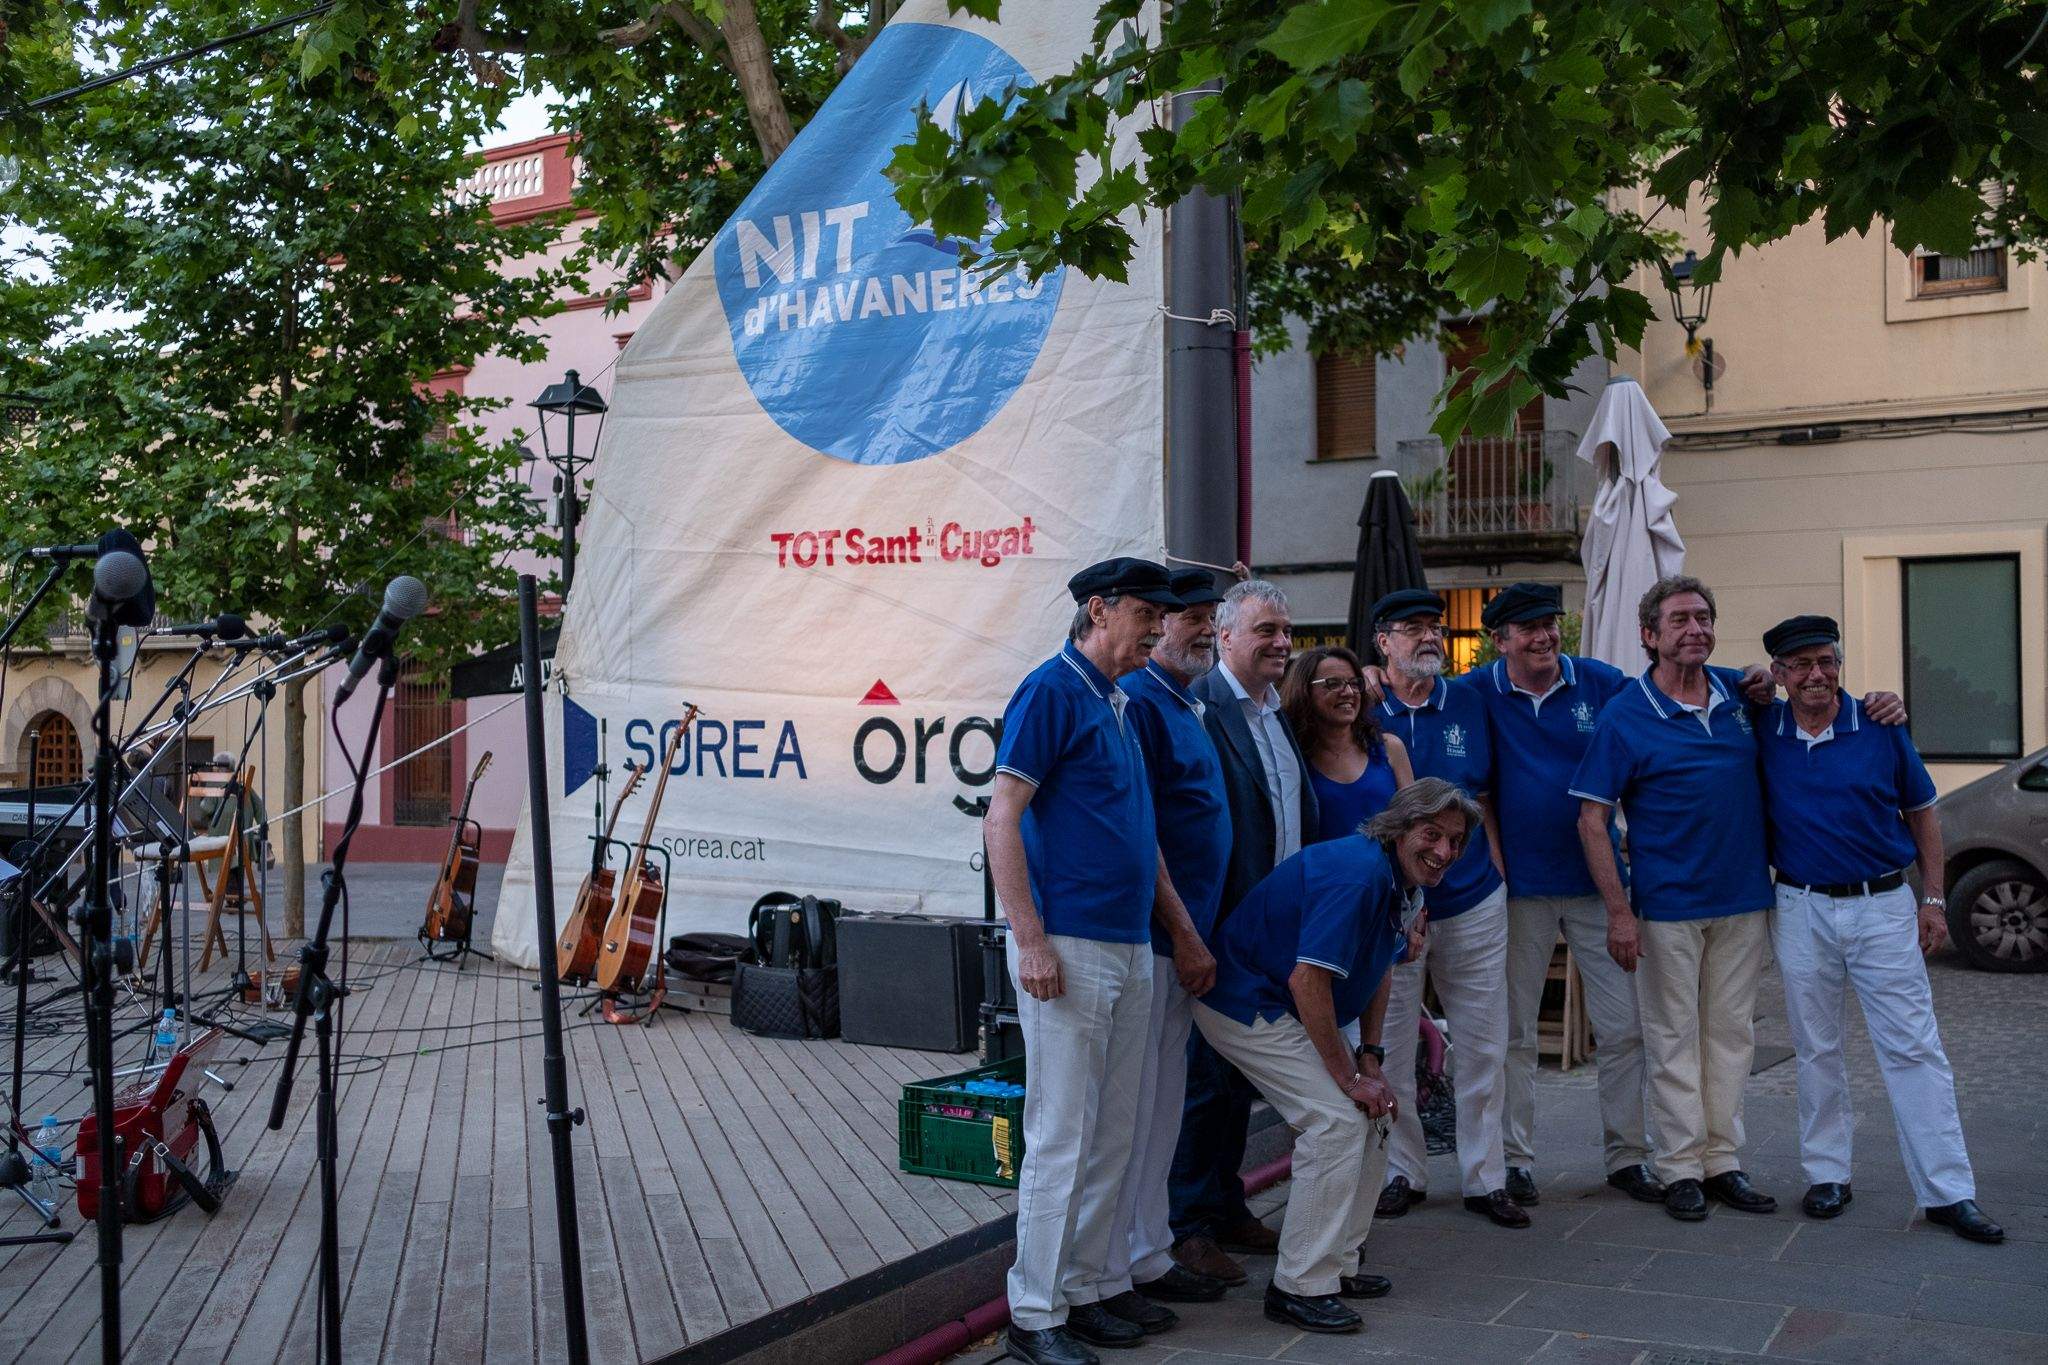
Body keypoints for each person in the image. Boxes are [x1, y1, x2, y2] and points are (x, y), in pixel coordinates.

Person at [987, 557, 1204, 1365]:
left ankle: (1086, 1287)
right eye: (1146, 611)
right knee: (1060, 1133)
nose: (1158, 625)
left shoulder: (1116, 700)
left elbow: (1141, 840)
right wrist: (1030, 937)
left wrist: (1178, 931)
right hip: (1071, 943)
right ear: (1097, 608)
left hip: (1124, 944)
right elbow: (1001, 816)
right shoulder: (1051, 689)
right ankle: (1034, 1312)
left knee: (1114, 1130)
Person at [1194, 778, 1481, 1335]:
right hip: (1247, 1001)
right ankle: (1298, 1285)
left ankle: (1337, 1263)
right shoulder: (1359, 874)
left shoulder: (1405, 881)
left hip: (1288, 1002)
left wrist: (1371, 1060)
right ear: (1399, 829)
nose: (1444, 851)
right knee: (1334, 1121)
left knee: (1375, 1114)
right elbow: (1308, 981)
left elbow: (1379, 970)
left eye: (1455, 840)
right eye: (1432, 834)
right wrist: (1348, 1077)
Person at [1756, 615, 2003, 1243]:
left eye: (1828, 661)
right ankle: (1827, 1174)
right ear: (1781, 676)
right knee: (1815, 1046)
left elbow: (1923, 813)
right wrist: (1748, 682)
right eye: (1802, 665)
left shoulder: (1880, 724)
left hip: (1882, 905)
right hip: (1801, 905)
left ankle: (1948, 1191)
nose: (1818, 675)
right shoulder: (1763, 728)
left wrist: (1934, 900)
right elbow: (1724, 683)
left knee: (1914, 1046)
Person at [1569, 575, 1779, 1223]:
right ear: (1649, 635)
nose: (1695, 628)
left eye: (1704, 617)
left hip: (1744, 898)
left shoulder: (1741, 696)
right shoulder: (1626, 714)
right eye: (1680, 619)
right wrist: (1618, 910)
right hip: (1665, 904)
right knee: (1671, 1034)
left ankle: (1724, 1159)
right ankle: (1680, 1163)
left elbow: (1811, 704)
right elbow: (1591, 818)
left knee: (1730, 1033)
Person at [1461, 584, 1663, 1208]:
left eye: (1550, 623)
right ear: (1500, 641)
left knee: (1624, 1026)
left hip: (1600, 886)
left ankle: (1628, 1157)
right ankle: (1515, 1161)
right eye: (1529, 629)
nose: (1545, 636)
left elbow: (1669, 698)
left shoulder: (1600, 683)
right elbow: (1419, 704)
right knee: (1514, 1033)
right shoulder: (1475, 694)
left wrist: (1749, 684)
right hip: (1518, 889)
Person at [1167, 580, 1319, 1287]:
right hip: (1221, 928)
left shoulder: (1276, 713)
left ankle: (1226, 1203)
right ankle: (1187, 1224)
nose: (1282, 642)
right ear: (1225, 636)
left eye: (1287, 630)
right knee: (1204, 1081)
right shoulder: (1202, 708)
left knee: (1235, 1082)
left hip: (1271, 931)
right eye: (1266, 629)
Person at [1368, 588, 1526, 1229]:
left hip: (1472, 901)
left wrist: (1499, 873)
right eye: (1411, 628)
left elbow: (1485, 797)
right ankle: (1403, 1171)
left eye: (1434, 627)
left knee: (1485, 1041)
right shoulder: (1360, 704)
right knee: (1396, 1041)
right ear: (1382, 642)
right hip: (1393, 908)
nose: (1428, 636)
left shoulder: (1470, 698)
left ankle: (1485, 1177)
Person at [1100, 568, 1234, 1316]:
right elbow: (1143, 832)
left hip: (1184, 944)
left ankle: (1147, 1250)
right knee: (1136, 1111)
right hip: (1153, 941)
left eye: (1211, 617)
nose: (1202, 630)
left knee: (1161, 1110)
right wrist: (1182, 932)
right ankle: (1118, 1260)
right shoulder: (1145, 701)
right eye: (1190, 618)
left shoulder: (1187, 702)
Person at [1282, 645, 1414, 843]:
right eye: (1333, 684)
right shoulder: (1290, 755)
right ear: (1304, 690)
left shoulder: (1389, 748)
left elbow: (1414, 824)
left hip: (1385, 872)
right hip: (1321, 872)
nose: (1349, 692)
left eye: (1354, 683)